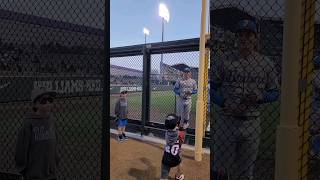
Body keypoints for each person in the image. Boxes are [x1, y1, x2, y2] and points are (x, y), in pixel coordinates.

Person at [211, 19, 280, 179]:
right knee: (220, 170)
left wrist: (261, 97)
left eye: (249, 35)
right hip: (226, 121)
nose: (244, 39)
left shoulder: (265, 63)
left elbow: (275, 92)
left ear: (255, 38)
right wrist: (223, 102)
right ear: (236, 38)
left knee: (246, 172)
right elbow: (212, 88)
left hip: (252, 122)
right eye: (240, 35)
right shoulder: (224, 60)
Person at [15, 87, 59, 180]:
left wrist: (55, 163)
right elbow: (21, 152)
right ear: (35, 105)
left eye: (50, 100)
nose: (48, 104)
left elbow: (55, 145)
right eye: (43, 101)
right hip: (34, 175)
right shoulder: (29, 124)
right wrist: (23, 171)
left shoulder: (51, 121)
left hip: (51, 174)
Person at [160, 114, 185, 180]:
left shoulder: (166, 133)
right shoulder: (181, 133)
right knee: (180, 160)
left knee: (164, 175)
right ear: (177, 125)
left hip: (166, 159)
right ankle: (178, 176)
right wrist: (182, 128)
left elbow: (171, 129)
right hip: (176, 159)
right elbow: (181, 140)